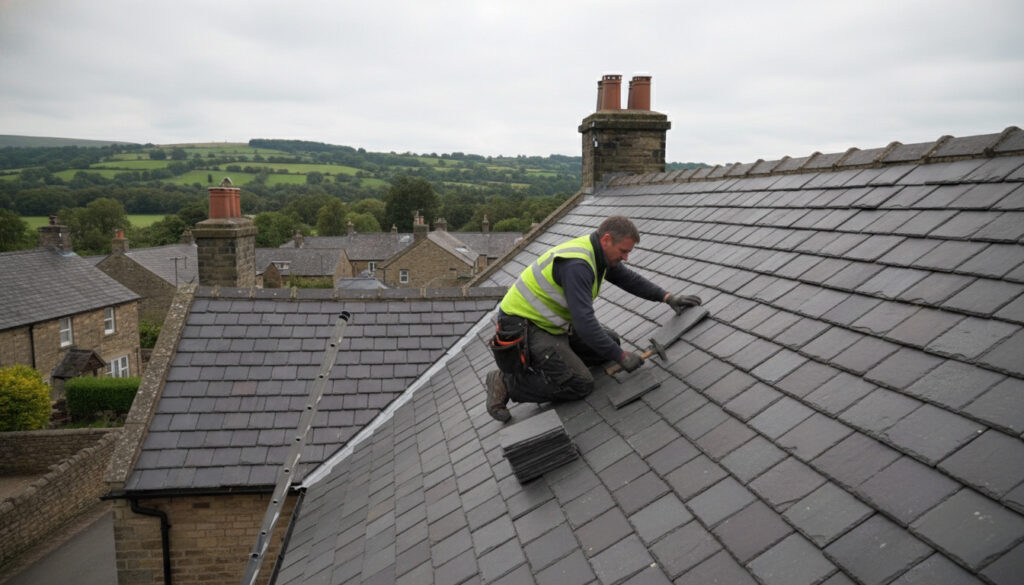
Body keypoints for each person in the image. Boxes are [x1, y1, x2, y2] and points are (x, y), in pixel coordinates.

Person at [485, 215, 701, 422]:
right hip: (526, 325)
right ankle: (505, 383)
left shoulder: (598, 252)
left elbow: (628, 279)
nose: (626, 257)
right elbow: (584, 323)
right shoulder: (577, 265)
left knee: (609, 343)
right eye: (623, 251)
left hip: (550, 323)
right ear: (606, 239)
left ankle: (559, 361)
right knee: (580, 383)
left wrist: (667, 297)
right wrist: (621, 356)